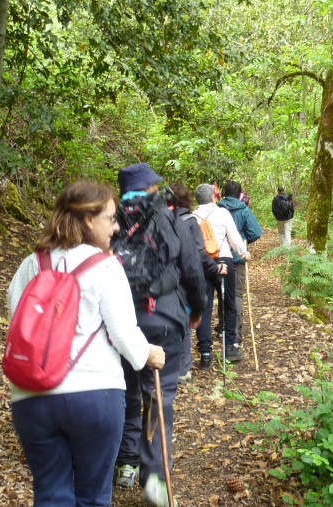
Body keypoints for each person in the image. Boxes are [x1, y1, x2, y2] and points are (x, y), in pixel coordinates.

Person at [6, 180, 165, 507]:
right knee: (93, 497)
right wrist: (149, 353)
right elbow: (123, 334)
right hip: (95, 394)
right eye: (111, 218)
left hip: (31, 397)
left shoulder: (31, 264)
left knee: (51, 495)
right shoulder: (105, 265)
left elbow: (18, 323)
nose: (116, 226)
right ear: (88, 220)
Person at [111, 163, 205, 507]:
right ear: (152, 188)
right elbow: (192, 269)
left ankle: (125, 463)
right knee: (158, 398)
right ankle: (154, 482)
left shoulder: (110, 220)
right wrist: (196, 309)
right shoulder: (170, 218)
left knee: (125, 392)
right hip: (163, 319)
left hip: (119, 321)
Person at [169, 182, 227, 381]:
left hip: (163, 278)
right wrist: (215, 268)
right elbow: (198, 253)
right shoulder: (189, 221)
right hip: (183, 277)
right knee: (184, 321)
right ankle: (182, 369)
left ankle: (169, 366)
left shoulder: (159, 220)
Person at [192, 183, 249, 367]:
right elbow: (234, 238)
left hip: (202, 264)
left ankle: (205, 354)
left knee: (204, 307)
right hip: (224, 260)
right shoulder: (222, 213)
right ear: (213, 197)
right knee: (229, 304)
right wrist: (243, 253)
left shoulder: (192, 217)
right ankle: (230, 348)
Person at [218, 180, 262, 349]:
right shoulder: (244, 210)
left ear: (224, 193)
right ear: (240, 194)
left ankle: (222, 328)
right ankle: (235, 336)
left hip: (218, 258)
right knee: (236, 294)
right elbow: (255, 232)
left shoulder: (217, 208)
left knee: (222, 292)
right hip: (237, 258)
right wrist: (244, 239)